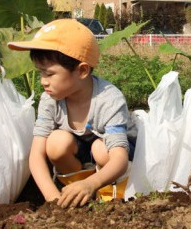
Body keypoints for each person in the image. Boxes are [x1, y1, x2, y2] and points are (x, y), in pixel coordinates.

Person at [8, 19, 136, 208]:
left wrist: (91, 184)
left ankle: (109, 197)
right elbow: (36, 156)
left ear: (82, 71)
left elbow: (120, 159)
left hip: (117, 161)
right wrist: (54, 200)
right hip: (81, 159)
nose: (43, 81)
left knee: (101, 150)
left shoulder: (109, 100)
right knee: (56, 142)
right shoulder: (50, 99)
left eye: (49, 74)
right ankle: (74, 195)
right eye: (41, 73)